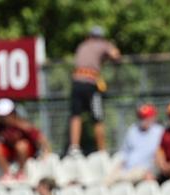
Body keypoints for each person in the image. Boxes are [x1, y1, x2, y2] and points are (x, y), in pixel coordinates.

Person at [68, 26, 121, 155]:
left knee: (76, 115)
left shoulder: (82, 45)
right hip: (90, 83)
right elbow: (116, 55)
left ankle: (74, 147)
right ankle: (102, 150)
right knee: (97, 117)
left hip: (76, 82)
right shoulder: (103, 44)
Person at [0, 99, 48, 180]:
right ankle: (7, 173)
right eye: (1, 116)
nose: (3, 118)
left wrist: (46, 152)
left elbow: (40, 138)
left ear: (13, 113)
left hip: (26, 153)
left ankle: (21, 172)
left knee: (21, 146)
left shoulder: (22, 125)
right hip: (10, 153)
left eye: (5, 115)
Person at [109, 104, 163, 183]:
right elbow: (124, 153)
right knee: (110, 175)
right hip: (127, 168)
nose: (143, 120)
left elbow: (160, 155)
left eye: (146, 117)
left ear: (152, 117)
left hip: (145, 170)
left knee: (119, 179)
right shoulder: (133, 130)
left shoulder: (159, 132)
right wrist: (118, 166)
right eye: (141, 117)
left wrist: (153, 169)